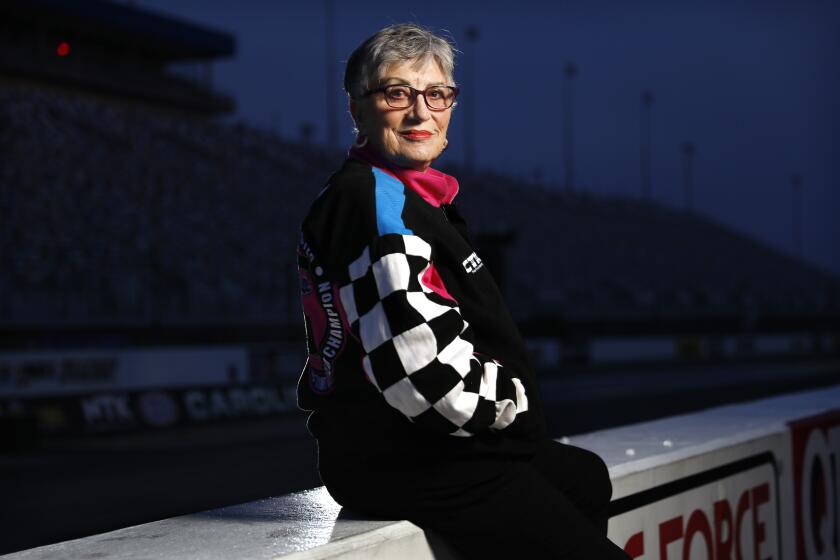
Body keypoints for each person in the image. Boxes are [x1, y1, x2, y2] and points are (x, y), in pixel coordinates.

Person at [296, 23, 630, 559]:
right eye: (396, 93)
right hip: (407, 456)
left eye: (436, 94)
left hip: (413, 448)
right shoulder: (372, 202)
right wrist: (513, 407)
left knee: (581, 476)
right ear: (358, 110)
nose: (419, 112)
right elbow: (421, 377)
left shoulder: (406, 195)